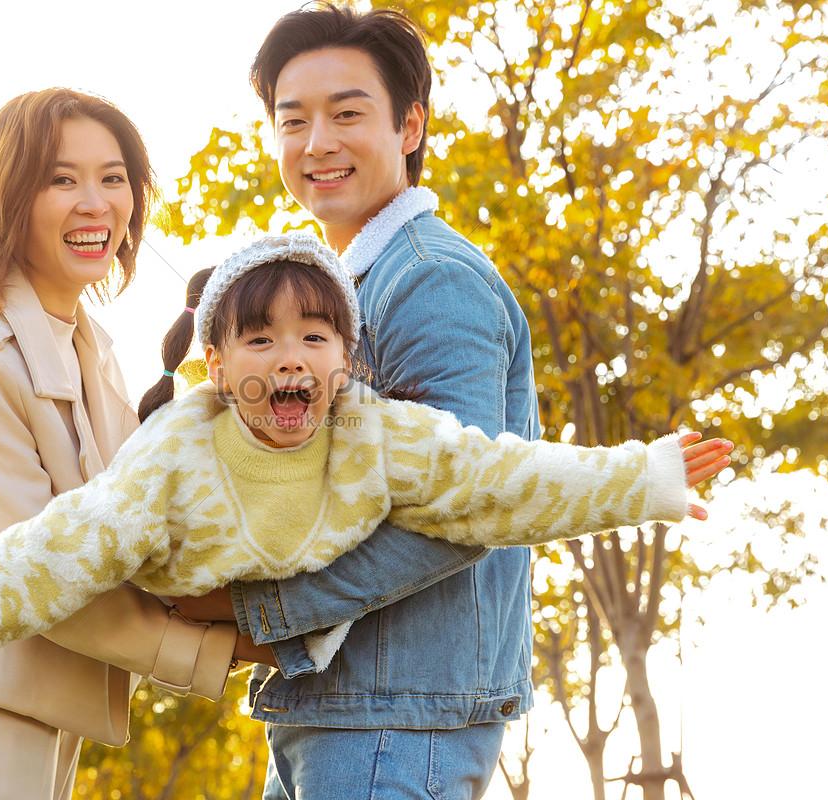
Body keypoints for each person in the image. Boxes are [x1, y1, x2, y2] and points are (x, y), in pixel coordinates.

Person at [0, 232, 733, 684]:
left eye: (314, 336)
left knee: (475, 486)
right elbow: (41, 558)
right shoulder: (171, 464)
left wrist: (645, 478)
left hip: (306, 607)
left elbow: (505, 481)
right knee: (73, 558)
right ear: (216, 368)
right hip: (195, 582)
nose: (288, 357)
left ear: (345, 359)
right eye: (258, 342)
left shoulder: (380, 437)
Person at [166, 4, 600, 798]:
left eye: (346, 113)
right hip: (343, 713)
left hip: (397, 727)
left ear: (409, 127)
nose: (317, 143)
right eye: (292, 120)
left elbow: (466, 509)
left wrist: (255, 610)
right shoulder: (338, 293)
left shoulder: (431, 280)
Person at [0, 88, 250, 800]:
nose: (95, 203)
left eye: (113, 178)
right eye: (61, 179)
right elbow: (43, 582)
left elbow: (140, 537)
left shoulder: (91, 352)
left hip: (43, 723)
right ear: (8, 198)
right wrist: (230, 646)